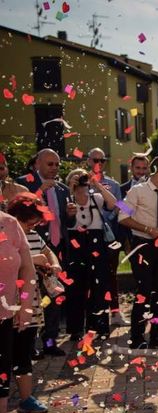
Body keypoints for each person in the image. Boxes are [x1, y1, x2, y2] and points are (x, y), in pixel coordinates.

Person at [15, 149, 77, 356]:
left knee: (54, 294)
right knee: (31, 296)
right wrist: (39, 191)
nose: (55, 168)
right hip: (30, 246)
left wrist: (70, 215)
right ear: (37, 164)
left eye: (57, 165)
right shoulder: (25, 183)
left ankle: (50, 341)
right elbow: (19, 213)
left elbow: (67, 223)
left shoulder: (61, 189)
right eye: (50, 164)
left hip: (56, 248)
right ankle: (29, 345)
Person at [118, 156, 158, 349]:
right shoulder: (136, 191)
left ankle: (157, 335)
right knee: (144, 291)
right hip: (142, 245)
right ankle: (137, 337)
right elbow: (122, 217)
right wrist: (148, 230)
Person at [7, 193, 57, 413]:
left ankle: (26, 397)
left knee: (25, 349)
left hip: (31, 302)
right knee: (6, 351)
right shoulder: (6, 237)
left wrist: (53, 264)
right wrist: (33, 260)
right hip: (8, 302)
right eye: (29, 221)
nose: (33, 225)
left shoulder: (34, 236)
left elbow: (49, 253)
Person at [64, 169, 118, 340]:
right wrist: (70, 189)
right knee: (76, 287)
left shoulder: (96, 197)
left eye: (83, 178)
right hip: (76, 243)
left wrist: (96, 185)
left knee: (99, 285)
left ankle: (99, 326)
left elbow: (115, 204)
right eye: (77, 179)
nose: (81, 182)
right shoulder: (67, 199)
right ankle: (76, 329)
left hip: (96, 241)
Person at [0, 208, 36, 413]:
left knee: (2, 369)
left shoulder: (10, 223)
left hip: (4, 314)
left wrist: (24, 305)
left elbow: (27, 267)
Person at [86, 148, 123, 330]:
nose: (98, 163)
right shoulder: (81, 181)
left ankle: (115, 311)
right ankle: (92, 317)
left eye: (102, 159)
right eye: (95, 159)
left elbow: (124, 207)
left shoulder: (113, 184)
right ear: (88, 161)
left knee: (111, 275)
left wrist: (112, 214)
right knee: (90, 277)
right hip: (85, 237)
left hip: (108, 236)